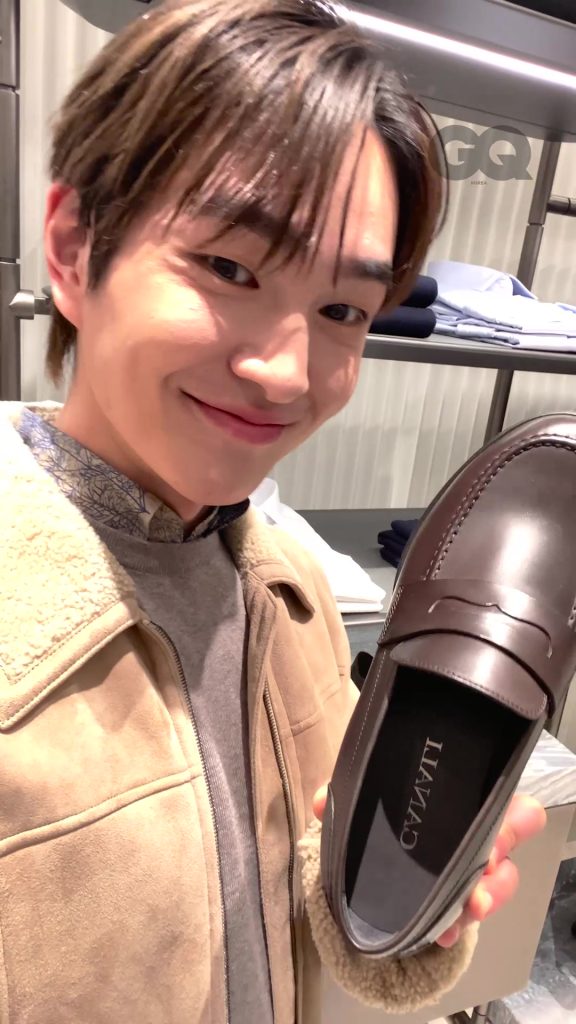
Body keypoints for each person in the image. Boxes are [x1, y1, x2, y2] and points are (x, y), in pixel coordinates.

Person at [0, 1, 546, 1021]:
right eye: (229, 268)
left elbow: (292, 906)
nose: (286, 373)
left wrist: (402, 909)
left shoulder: (290, 588)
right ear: (74, 250)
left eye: (342, 310)